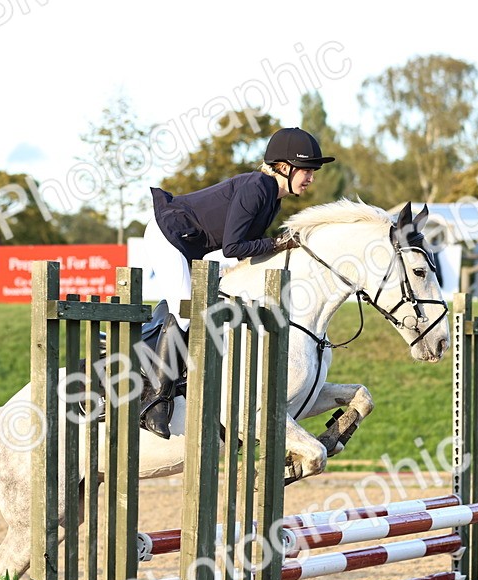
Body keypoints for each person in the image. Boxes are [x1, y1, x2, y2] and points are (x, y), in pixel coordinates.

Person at [138, 127, 335, 438]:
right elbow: (234, 248)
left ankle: (181, 376)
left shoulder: (273, 199)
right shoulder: (258, 187)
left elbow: (240, 251)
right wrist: (278, 244)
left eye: (313, 171)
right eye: (307, 170)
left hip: (193, 246)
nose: (311, 178)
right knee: (188, 311)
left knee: (211, 303)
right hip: (169, 236)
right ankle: (154, 401)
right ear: (284, 167)